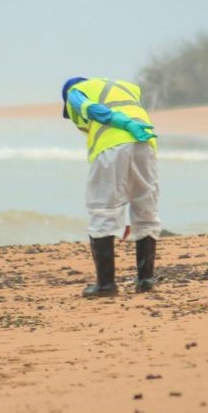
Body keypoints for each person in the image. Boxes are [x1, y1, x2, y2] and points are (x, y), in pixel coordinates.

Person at [61, 76, 160, 297]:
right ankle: (146, 281)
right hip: (145, 141)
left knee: (103, 209)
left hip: (112, 148)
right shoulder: (124, 88)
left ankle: (106, 285)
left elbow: (90, 109)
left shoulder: (75, 90)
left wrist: (122, 124)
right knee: (146, 209)